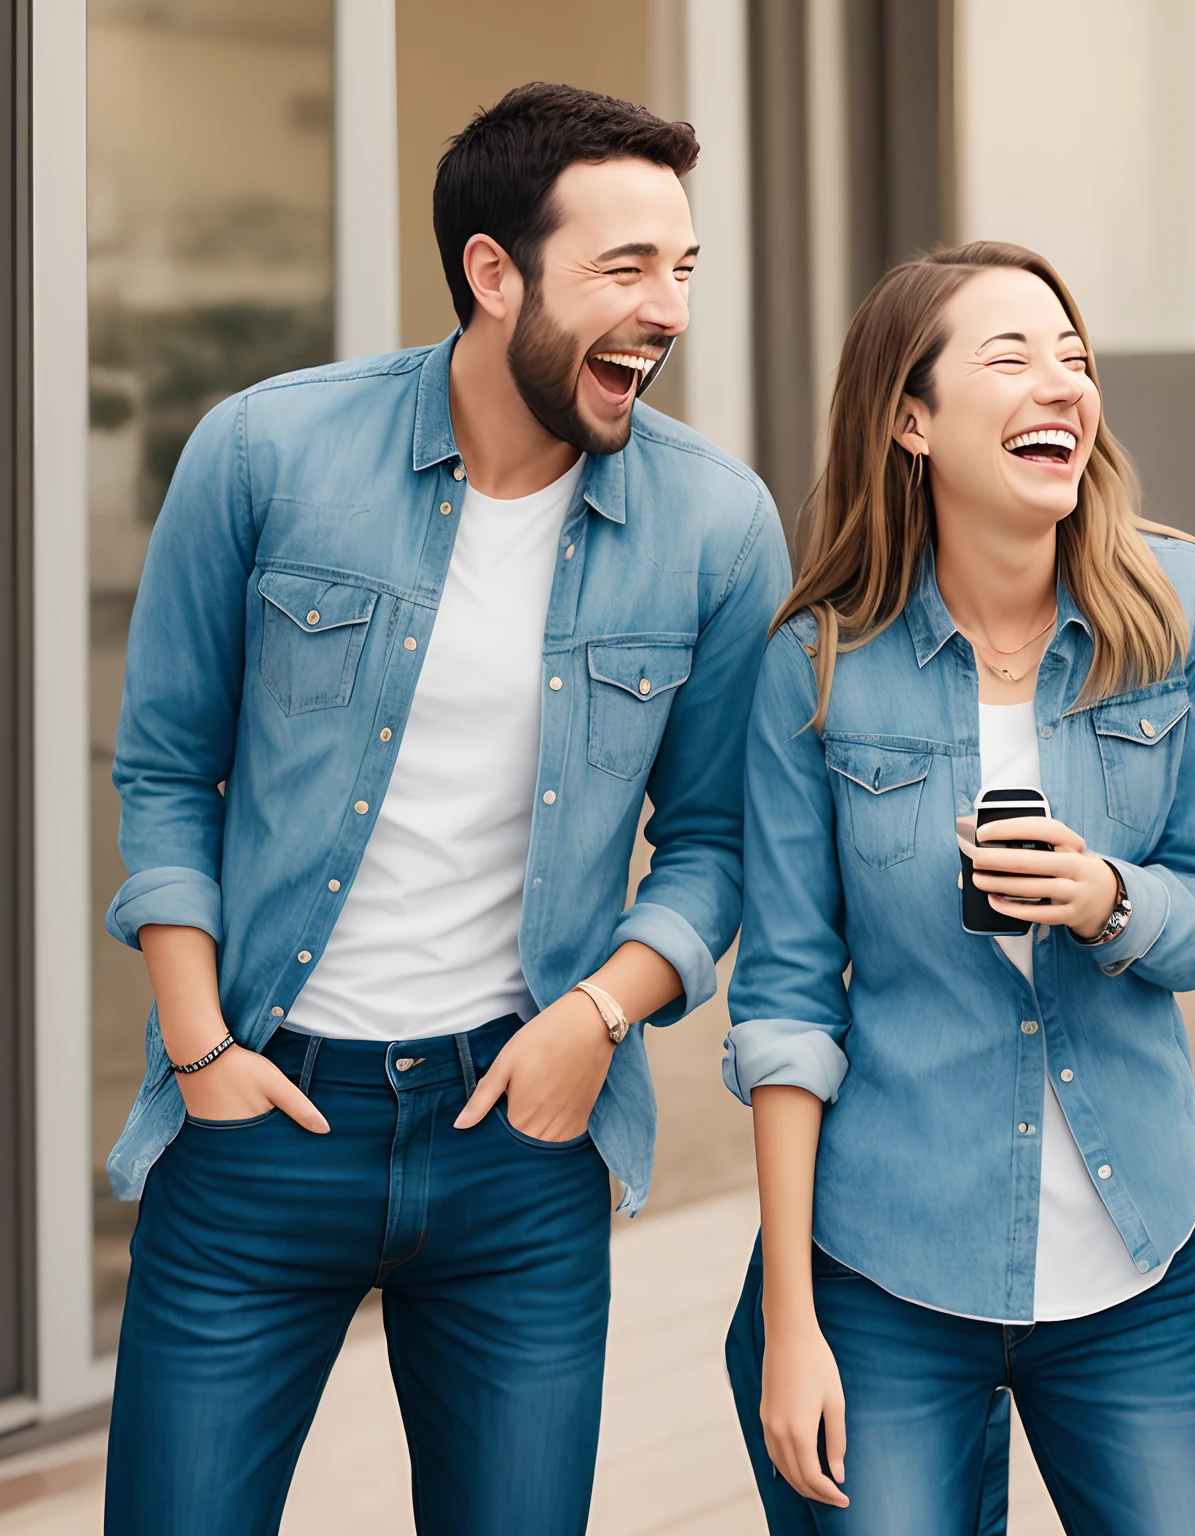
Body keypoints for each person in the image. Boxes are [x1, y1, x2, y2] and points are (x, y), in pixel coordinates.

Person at [101, 82, 787, 1535]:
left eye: (683, 269)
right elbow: (166, 767)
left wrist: (592, 1021)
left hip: (520, 1135)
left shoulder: (717, 524)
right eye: (624, 269)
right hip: (262, 1115)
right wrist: (198, 1043)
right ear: (493, 273)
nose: (666, 311)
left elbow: (717, 842)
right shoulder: (266, 454)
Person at [721, 241, 1195, 1534]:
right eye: (1010, 357)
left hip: (1132, 1268)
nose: (1060, 384)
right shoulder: (821, 664)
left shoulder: (1181, 607)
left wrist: (1107, 899)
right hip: (884, 1272)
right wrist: (791, 1323)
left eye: (1074, 359)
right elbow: (788, 999)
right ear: (912, 418)